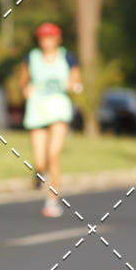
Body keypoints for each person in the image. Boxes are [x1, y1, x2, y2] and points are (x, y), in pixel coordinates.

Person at [19, 22, 83, 218]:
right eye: (43, 37)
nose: (46, 41)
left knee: (53, 155)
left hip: (59, 109)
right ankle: (39, 173)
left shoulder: (68, 57)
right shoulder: (31, 57)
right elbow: (23, 81)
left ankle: (52, 200)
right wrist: (25, 90)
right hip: (37, 109)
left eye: (50, 37)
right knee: (40, 161)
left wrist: (73, 85)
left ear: (57, 39)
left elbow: (76, 80)